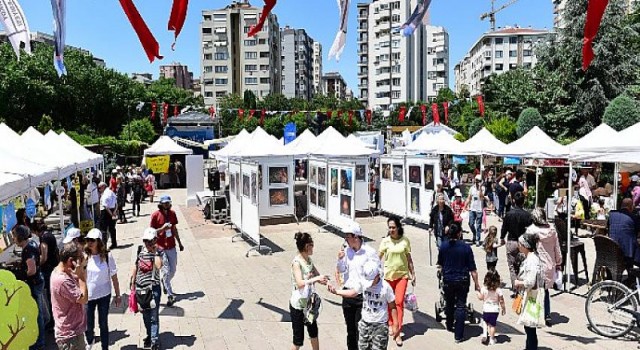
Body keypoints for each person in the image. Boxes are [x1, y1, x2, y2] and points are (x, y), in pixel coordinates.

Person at [328, 259, 399, 350]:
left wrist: (395, 324)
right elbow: (353, 292)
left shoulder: (385, 287)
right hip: (365, 323)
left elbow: (392, 306)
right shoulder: (363, 282)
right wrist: (336, 292)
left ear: (377, 276)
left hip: (380, 325)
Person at [335, 223, 378, 350]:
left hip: (362, 297)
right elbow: (341, 269)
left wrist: (366, 286)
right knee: (350, 330)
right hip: (348, 295)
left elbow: (377, 273)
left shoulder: (369, 252)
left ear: (356, 237)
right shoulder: (347, 251)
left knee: (361, 330)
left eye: (347, 237)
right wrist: (340, 259)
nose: (345, 240)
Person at [437, 223, 480, 343]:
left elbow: (440, 264)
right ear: (459, 233)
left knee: (449, 303)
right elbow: (473, 269)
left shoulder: (444, 246)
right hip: (462, 280)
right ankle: (459, 336)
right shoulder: (466, 248)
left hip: (448, 280)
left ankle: (450, 324)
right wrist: (477, 284)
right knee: (461, 306)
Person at [378, 217, 415, 346]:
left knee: (398, 302)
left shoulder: (405, 241)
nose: (392, 230)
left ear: (398, 227)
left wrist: (413, 274)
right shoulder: (385, 241)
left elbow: (409, 259)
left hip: (402, 276)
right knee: (389, 302)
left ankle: (397, 332)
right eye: (390, 227)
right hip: (388, 276)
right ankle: (390, 323)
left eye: (394, 227)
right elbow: (378, 258)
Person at [289, 232, 328, 350]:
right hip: (298, 306)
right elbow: (300, 283)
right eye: (312, 245)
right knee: (298, 340)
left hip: (309, 305)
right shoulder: (297, 263)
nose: (313, 248)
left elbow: (317, 274)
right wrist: (315, 279)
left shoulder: (309, 260)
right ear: (307, 246)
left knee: (313, 332)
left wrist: (324, 280)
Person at [84, 228, 121, 350]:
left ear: (99, 241)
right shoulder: (84, 256)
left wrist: (118, 294)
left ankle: (105, 347)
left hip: (104, 295)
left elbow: (114, 276)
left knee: (103, 323)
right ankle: (90, 341)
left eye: (92, 240)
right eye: (88, 240)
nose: (89, 243)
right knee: (89, 324)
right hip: (89, 296)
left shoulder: (107, 256)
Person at [12, 225, 46, 349]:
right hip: (38, 281)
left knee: (37, 313)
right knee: (40, 310)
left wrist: (19, 274)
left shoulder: (28, 250)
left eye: (15, 236)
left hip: (34, 283)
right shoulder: (31, 244)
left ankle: (40, 342)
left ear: (20, 237)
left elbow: (31, 270)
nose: (14, 239)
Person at [51, 242, 89, 350]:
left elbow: (82, 284)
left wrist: (82, 269)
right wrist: (81, 275)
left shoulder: (65, 271)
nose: (83, 260)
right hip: (70, 336)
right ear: (70, 261)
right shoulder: (62, 280)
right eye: (80, 258)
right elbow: (83, 299)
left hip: (73, 331)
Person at [527, 208, 562, 327]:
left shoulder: (531, 230)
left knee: (534, 290)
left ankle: (534, 314)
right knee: (546, 291)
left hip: (536, 264)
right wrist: (558, 262)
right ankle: (547, 314)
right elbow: (556, 248)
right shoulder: (552, 230)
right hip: (549, 265)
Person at [131, 228, 163, 350]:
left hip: (153, 289)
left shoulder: (158, 252)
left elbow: (159, 265)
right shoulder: (140, 250)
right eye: (146, 241)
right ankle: (149, 335)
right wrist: (132, 282)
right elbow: (135, 266)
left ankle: (154, 341)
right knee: (145, 316)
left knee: (154, 316)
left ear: (155, 240)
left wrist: (155, 252)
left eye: (150, 241)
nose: (148, 244)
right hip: (141, 289)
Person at [150, 195, 184, 307]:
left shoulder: (172, 214)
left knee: (173, 269)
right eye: (164, 203)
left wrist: (179, 242)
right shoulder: (155, 215)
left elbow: (174, 229)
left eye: (168, 203)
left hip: (171, 246)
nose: (166, 205)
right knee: (165, 270)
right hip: (160, 247)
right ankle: (170, 294)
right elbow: (152, 232)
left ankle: (165, 282)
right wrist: (162, 229)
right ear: (160, 203)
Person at [514, 234, 544, 350]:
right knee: (529, 327)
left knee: (530, 327)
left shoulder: (532, 260)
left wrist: (518, 283)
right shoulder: (531, 257)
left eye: (520, 244)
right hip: (530, 295)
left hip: (532, 297)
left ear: (525, 246)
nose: (519, 245)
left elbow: (530, 282)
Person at [500, 192, 532, 298]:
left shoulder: (509, 214)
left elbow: (504, 228)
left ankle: (516, 289)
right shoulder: (527, 215)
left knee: (512, 267)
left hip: (511, 242)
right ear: (523, 201)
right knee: (523, 266)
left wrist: (501, 238)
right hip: (523, 243)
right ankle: (522, 287)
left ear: (514, 201)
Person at [32, 220, 59, 330]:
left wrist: (37, 264)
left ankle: (53, 321)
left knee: (50, 296)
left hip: (48, 269)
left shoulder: (43, 238)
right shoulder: (50, 235)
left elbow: (44, 256)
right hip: (54, 266)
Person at [608, 198, 640, 267]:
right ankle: (632, 274)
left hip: (611, 249)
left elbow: (608, 228)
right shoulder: (633, 218)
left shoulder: (611, 214)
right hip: (627, 253)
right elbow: (637, 233)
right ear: (630, 206)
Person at [476, 270, 506, 345]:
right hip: (495, 310)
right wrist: (503, 308)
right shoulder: (498, 290)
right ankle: (492, 339)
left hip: (486, 309)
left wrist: (477, 292)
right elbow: (501, 300)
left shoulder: (484, 288)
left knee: (485, 322)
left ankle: (485, 335)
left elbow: (481, 298)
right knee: (492, 325)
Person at [98, 181, 118, 249]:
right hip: (112, 210)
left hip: (106, 212)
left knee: (103, 230)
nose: (99, 190)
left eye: (99, 188)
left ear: (103, 187)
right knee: (112, 229)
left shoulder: (105, 194)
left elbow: (105, 206)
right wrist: (114, 212)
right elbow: (116, 203)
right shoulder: (111, 192)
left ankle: (104, 245)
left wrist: (111, 214)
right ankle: (114, 243)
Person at [466, 174, 485, 246]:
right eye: (476, 180)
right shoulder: (472, 188)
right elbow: (469, 197)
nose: (477, 182)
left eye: (479, 181)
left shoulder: (483, 188)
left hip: (479, 209)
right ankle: (474, 233)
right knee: (470, 223)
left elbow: (481, 197)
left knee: (478, 225)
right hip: (472, 208)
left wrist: (480, 188)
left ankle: (477, 239)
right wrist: (465, 206)